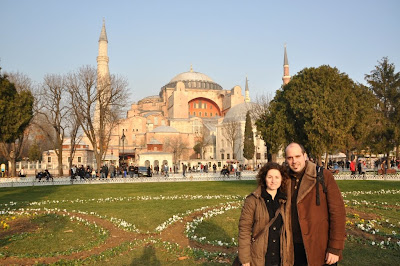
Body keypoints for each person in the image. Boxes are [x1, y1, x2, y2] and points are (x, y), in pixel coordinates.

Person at [285, 143, 346, 266]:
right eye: (290, 158)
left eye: (297, 156)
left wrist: (335, 248)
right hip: (292, 249)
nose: (294, 161)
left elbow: (338, 213)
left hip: (319, 247)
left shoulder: (322, 175)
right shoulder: (284, 178)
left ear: (305, 156)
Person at [238, 162, 293, 266]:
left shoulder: (285, 200)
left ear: (282, 179)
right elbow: (244, 230)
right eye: (270, 177)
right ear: (264, 178)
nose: (273, 181)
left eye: (277, 177)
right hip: (259, 256)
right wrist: (245, 259)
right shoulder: (253, 200)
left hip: (280, 256)